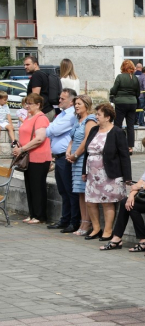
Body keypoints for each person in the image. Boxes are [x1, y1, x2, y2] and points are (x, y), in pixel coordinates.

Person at [99, 135, 145, 251]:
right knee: (126, 203)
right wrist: (131, 195)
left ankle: (143, 240)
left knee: (132, 207)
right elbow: (143, 179)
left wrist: (141, 186)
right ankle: (118, 238)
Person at [82, 103, 131, 241]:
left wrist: (127, 177)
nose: (96, 116)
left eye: (99, 114)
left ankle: (108, 230)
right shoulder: (93, 130)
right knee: (91, 201)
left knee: (107, 202)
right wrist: (84, 171)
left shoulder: (117, 132)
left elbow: (124, 156)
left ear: (108, 117)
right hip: (92, 174)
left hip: (109, 174)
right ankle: (96, 228)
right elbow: (87, 153)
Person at [12, 94, 51, 224]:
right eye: (26, 103)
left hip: (38, 157)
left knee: (37, 186)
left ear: (38, 105)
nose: (27, 106)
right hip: (29, 157)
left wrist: (22, 149)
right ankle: (33, 213)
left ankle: (40, 216)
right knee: (30, 186)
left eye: (30, 104)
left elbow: (39, 138)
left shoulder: (41, 118)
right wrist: (18, 146)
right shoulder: (29, 117)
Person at [46, 88, 80, 233]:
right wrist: (51, 128)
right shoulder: (61, 114)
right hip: (58, 157)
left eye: (62, 99)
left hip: (66, 157)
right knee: (63, 191)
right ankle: (65, 219)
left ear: (71, 101)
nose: (59, 101)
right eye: (59, 98)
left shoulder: (71, 114)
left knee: (69, 191)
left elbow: (54, 130)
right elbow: (50, 130)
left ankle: (74, 221)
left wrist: (51, 128)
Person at [66, 95, 96, 236]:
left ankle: (88, 223)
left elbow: (87, 140)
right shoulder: (78, 120)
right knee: (79, 192)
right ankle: (83, 221)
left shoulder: (90, 120)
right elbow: (72, 139)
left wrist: (76, 154)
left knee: (85, 191)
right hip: (74, 159)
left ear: (86, 105)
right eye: (75, 104)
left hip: (83, 158)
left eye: (79, 104)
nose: (76, 106)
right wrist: (68, 151)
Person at [110, 59, 140, 155]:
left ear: (123, 67)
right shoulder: (135, 78)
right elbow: (138, 93)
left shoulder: (120, 77)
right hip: (132, 103)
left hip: (120, 103)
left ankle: (117, 145)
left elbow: (113, 90)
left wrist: (114, 91)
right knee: (130, 125)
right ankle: (130, 147)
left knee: (118, 125)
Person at [24, 56, 56, 121]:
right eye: (24, 65)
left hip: (43, 112)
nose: (25, 67)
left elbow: (35, 97)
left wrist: (30, 114)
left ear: (35, 64)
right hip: (48, 110)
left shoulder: (36, 75)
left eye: (27, 64)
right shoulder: (43, 74)